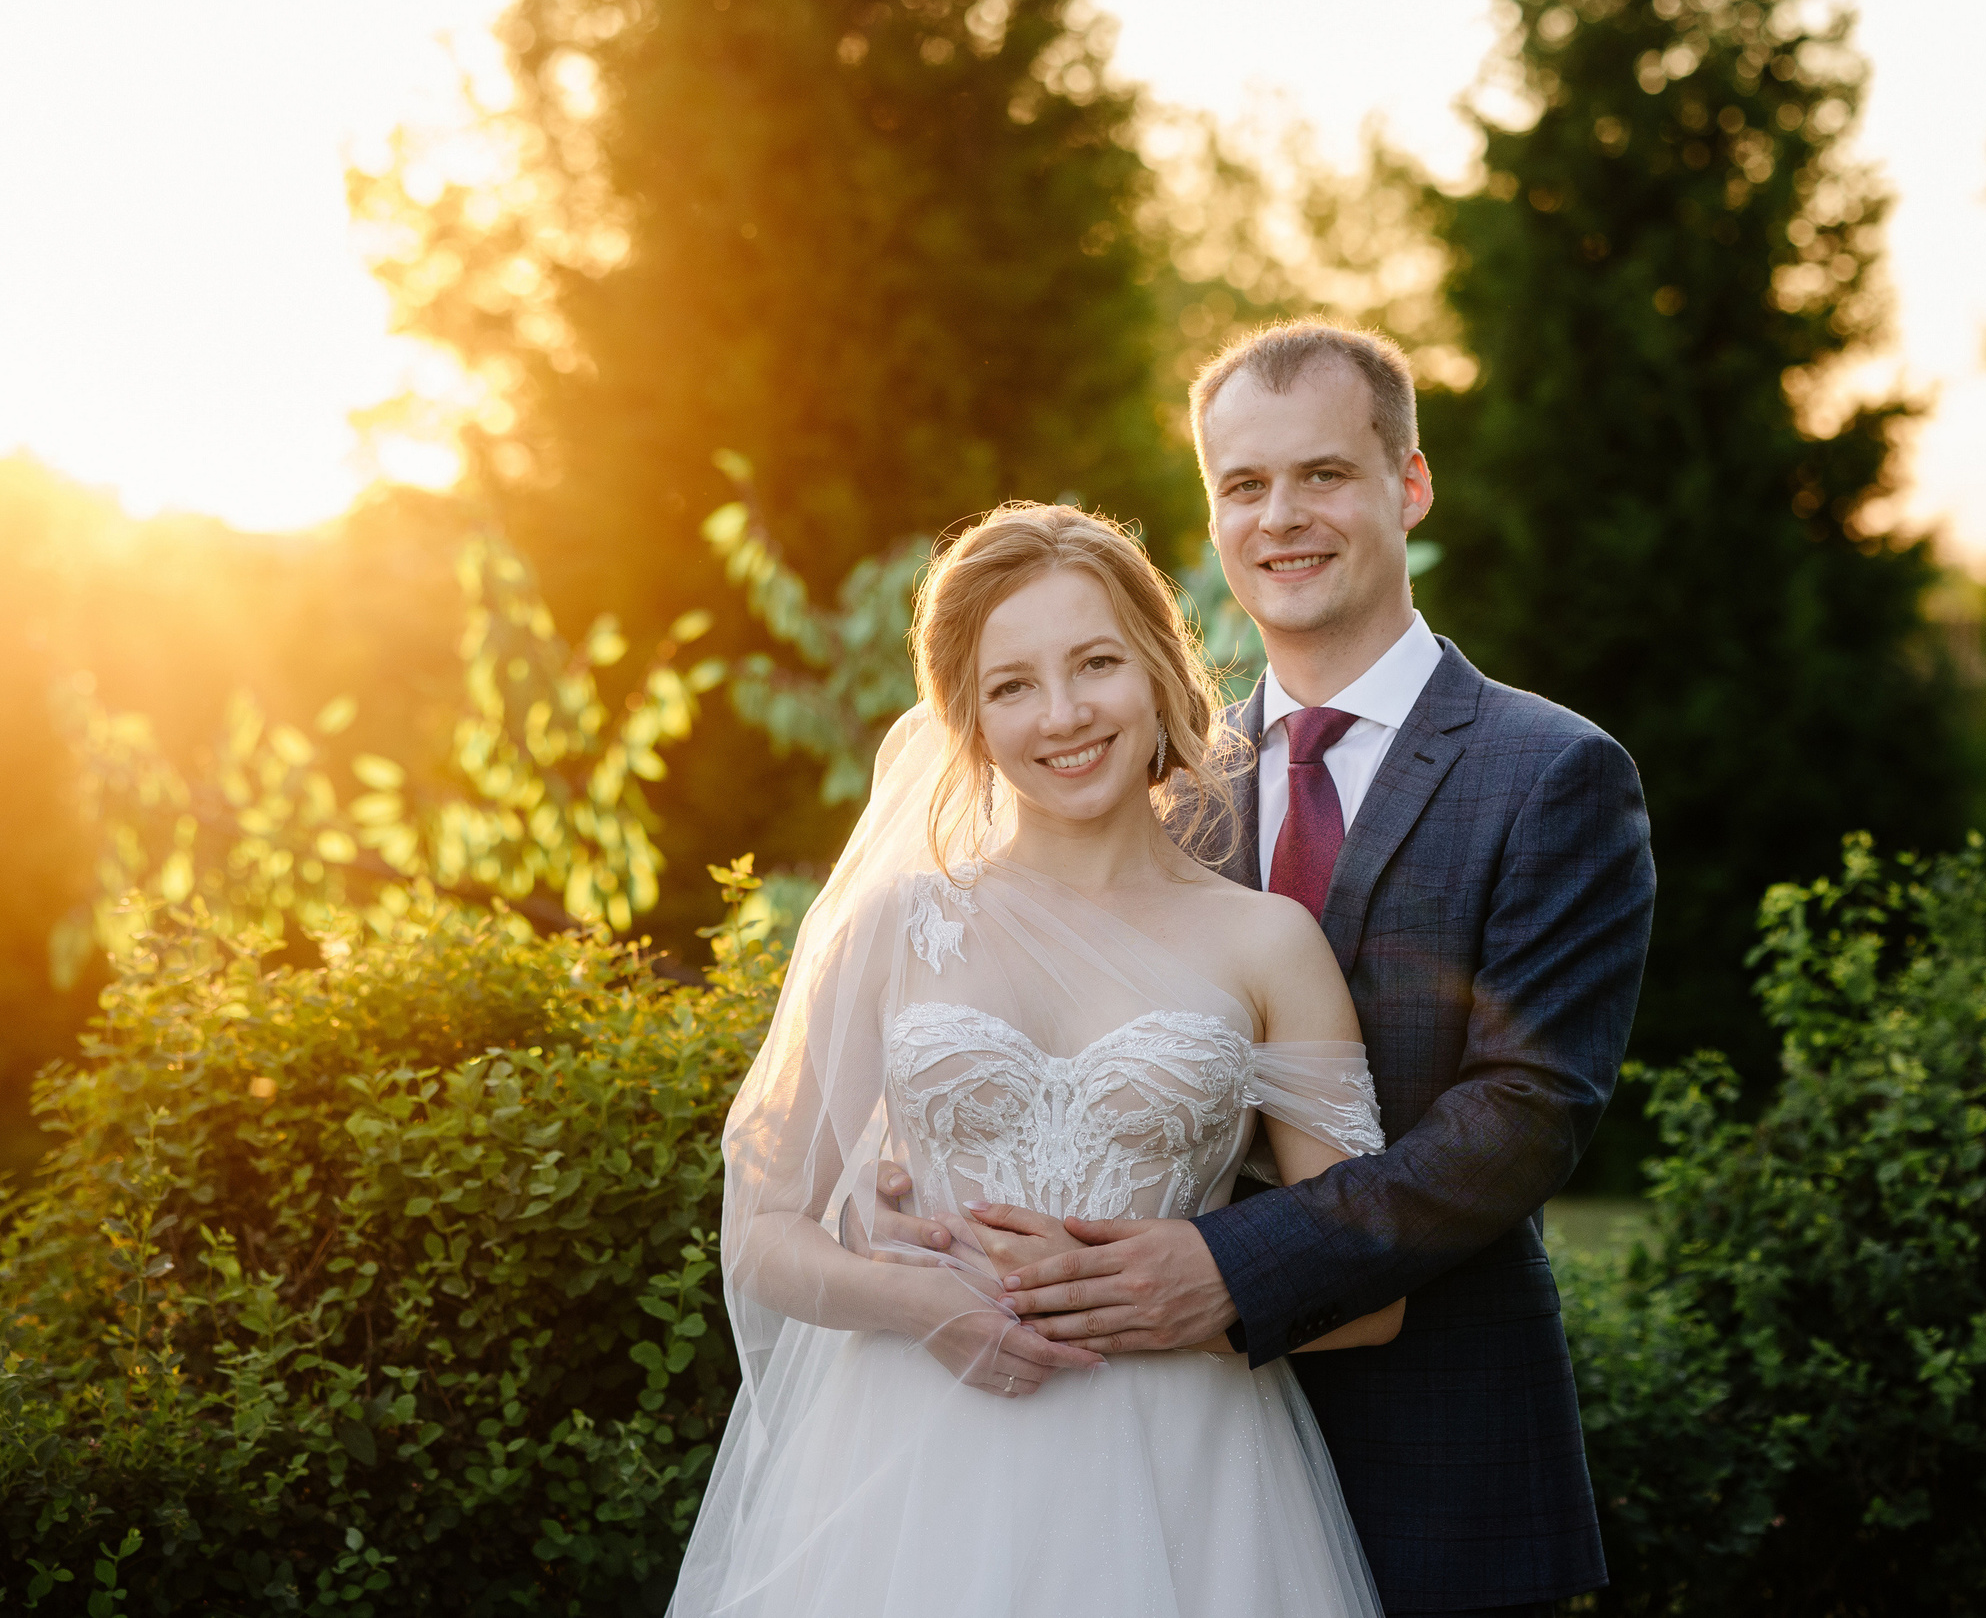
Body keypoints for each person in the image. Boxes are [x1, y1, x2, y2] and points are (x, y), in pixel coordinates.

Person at [984, 323, 1657, 1616]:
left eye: (1323, 475)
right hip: (1162, 1457)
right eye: (1244, 485)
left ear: (1410, 484)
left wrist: (1231, 1264)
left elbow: (1525, 1114)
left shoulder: (1552, 773)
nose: (1280, 517)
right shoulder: (1164, 792)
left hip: (1438, 1457)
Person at [668, 501, 1403, 1617]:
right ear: (966, 717)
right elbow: (764, 1232)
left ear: (1159, 669)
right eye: (1011, 685)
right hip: (905, 1479)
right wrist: (915, 1304)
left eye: (1096, 663)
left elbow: (1370, 1290)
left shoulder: (1269, 945)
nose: (1063, 715)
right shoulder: (895, 926)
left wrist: (1185, 1297)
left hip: (1187, 1477)